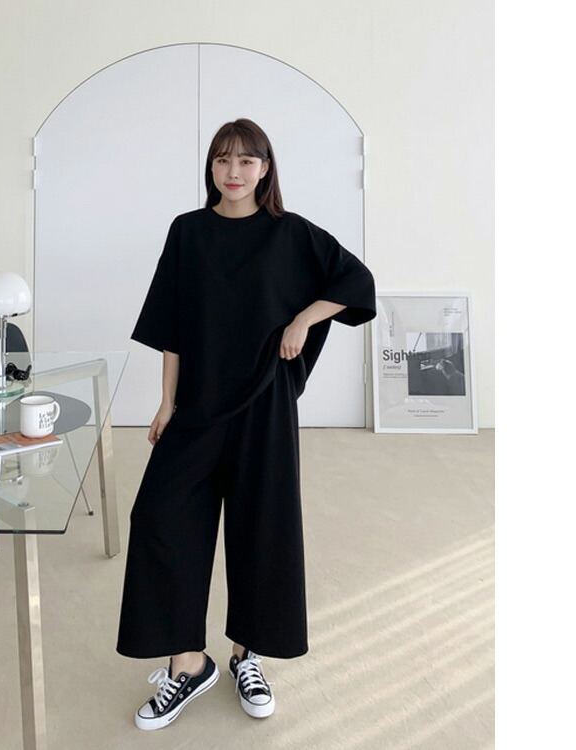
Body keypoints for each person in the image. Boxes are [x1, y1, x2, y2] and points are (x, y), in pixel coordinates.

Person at [116, 118, 377, 731]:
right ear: (211, 167)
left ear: (265, 168)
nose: (233, 172)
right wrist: (166, 402)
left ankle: (246, 654)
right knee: (159, 519)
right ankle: (188, 662)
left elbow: (357, 282)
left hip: (265, 406)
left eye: (245, 161)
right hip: (197, 406)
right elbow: (172, 325)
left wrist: (303, 319)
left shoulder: (290, 234)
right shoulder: (188, 231)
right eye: (222, 160)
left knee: (263, 528)